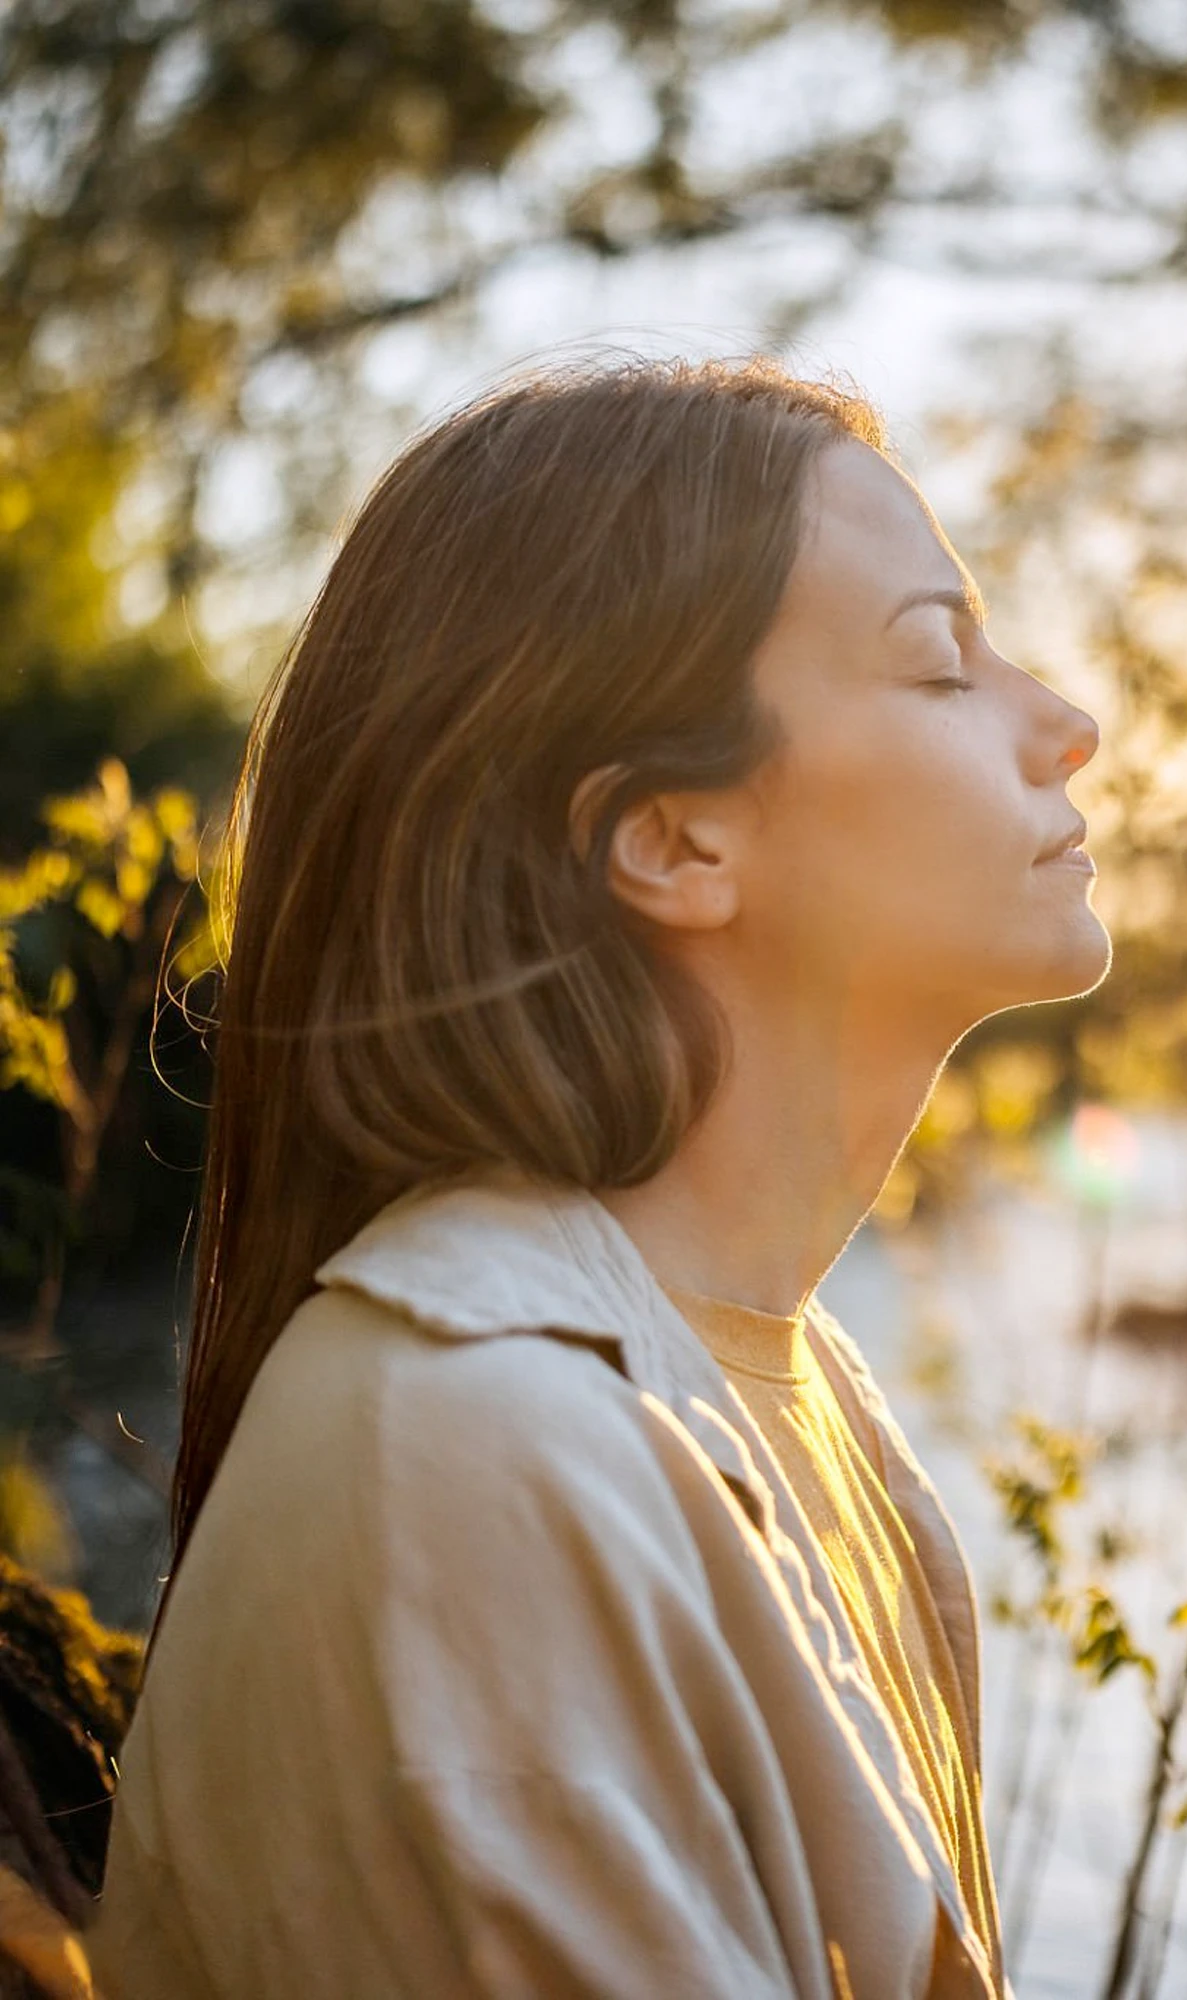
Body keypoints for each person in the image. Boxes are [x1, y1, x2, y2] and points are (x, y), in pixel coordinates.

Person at [87, 352, 1109, 1998]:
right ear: (675, 841)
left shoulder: (786, 1397)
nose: (1068, 726)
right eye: (939, 665)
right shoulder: (471, 1445)